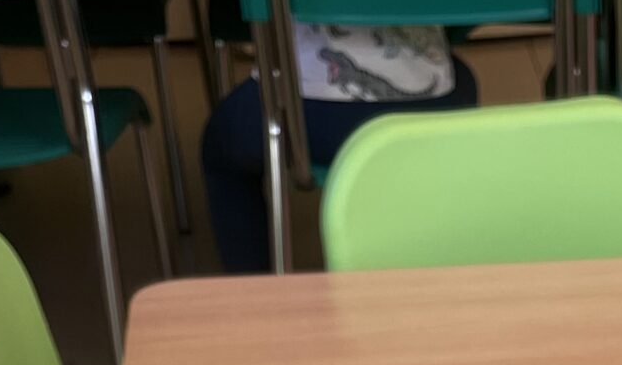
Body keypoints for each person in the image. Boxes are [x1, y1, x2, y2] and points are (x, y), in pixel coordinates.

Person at [198, 25, 480, 273]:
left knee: (221, 143)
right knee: (460, 75)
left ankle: (254, 295)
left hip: (305, 109)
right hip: (435, 99)